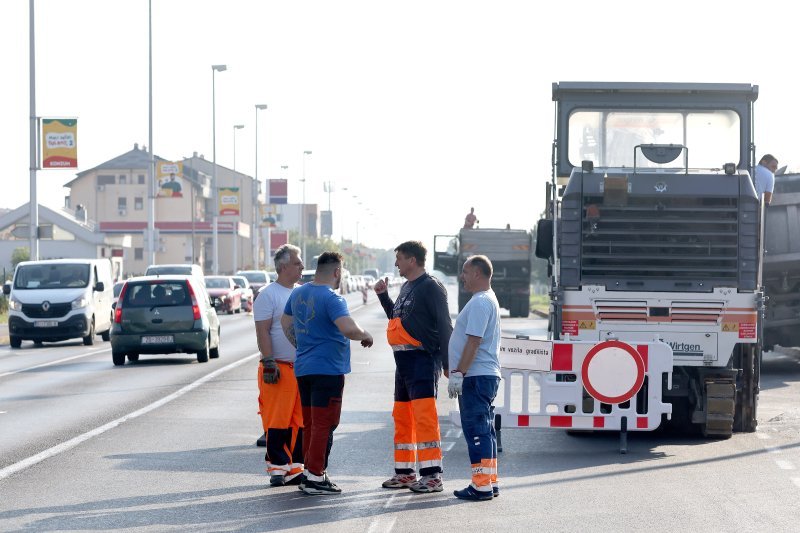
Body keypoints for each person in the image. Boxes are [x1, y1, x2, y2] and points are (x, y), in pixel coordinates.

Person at [281, 251, 374, 495]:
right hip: (327, 370)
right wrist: (365, 334)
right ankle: (315, 476)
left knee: (311, 423)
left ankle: (309, 472)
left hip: (304, 368)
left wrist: (301, 345)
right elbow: (347, 328)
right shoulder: (333, 298)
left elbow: (285, 322)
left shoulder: (298, 292)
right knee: (325, 423)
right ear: (336, 272)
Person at [375, 240, 453, 494]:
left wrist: (447, 363)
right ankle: (405, 474)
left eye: (399, 258)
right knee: (402, 418)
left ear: (412, 260)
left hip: (422, 361)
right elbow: (398, 318)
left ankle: (432, 476)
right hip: (404, 363)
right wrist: (383, 297)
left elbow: (444, 326)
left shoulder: (431, 287)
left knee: (424, 419)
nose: (396, 263)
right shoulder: (408, 286)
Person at [446, 254, 501, 501]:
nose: (463, 277)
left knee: (476, 430)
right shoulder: (486, 299)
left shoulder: (480, 302)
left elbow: (474, 341)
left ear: (477, 274)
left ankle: (481, 486)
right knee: (485, 429)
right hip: (483, 375)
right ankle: (489, 481)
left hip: (476, 376)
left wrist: (459, 373)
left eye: (466, 272)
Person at [254, 244, 305, 487]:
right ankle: (277, 467)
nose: (302, 267)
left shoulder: (302, 292)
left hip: (302, 369)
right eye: (297, 263)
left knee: (299, 421)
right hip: (279, 369)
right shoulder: (268, 294)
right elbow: (262, 330)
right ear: (283, 267)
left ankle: (294, 466)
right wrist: (269, 361)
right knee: (277, 420)